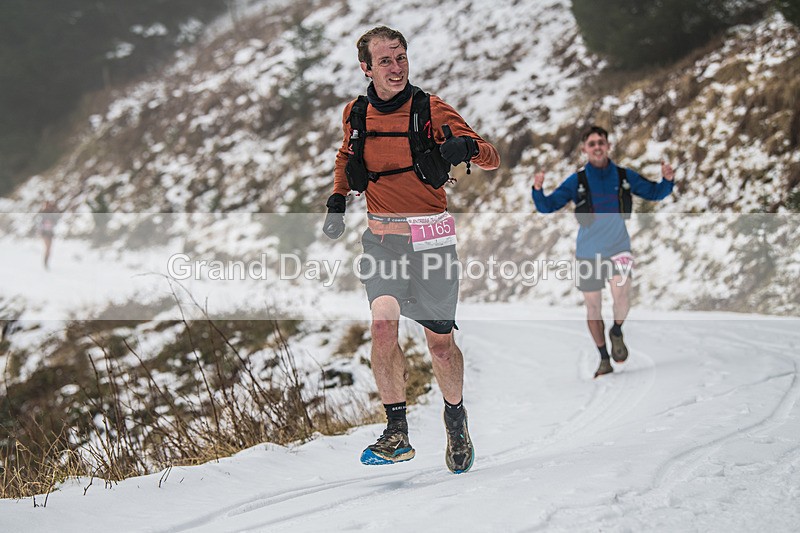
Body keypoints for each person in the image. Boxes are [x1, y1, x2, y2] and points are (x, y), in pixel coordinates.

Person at [322, 26, 499, 473]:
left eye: (400, 57)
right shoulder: (356, 114)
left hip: (431, 241)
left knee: (440, 346)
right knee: (383, 324)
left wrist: (467, 147)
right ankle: (396, 432)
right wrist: (338, 199)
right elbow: (346, 156)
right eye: (385, 60)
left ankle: (455, 417)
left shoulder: (430, 109)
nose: (396, 67)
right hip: (382, 240)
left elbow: (491, 156)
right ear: (366, 68)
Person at [532, 125, 675, 378]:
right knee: (593, 307)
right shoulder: (577, 181)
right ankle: (604, 358)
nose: (597, 147)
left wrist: (667, 180)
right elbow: (547, 206)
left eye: (601, 142)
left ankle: (617, 330)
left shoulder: (623, 176)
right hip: (588, 252)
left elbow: (654, 192)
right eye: (592, 144)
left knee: (622, 294)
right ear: (585, 149)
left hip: (619, 246)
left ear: (608, 146)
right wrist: (538, 189)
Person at [38, 200, 60, 270]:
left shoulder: (53, 213)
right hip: (45, 232)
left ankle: (46, 262)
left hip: (50, 232)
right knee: (47, 248)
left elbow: (56, 222)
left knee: (49, 249)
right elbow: (39, 222)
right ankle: (45, 263)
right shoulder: (42, 213)